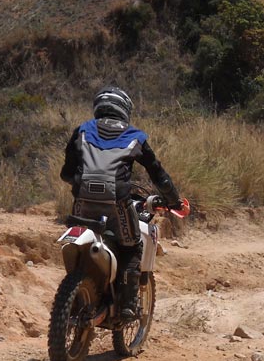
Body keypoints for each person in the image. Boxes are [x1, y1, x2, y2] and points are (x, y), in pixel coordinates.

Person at [60, 87, 180, 320]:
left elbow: (66, 174)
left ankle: (81, 291)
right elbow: (158, 175)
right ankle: (127, 305)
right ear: (124, 109)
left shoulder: (81, 130)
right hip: (116, 202)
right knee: (132, 246)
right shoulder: (135, 136)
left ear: (98, 107)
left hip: (82, 202)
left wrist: (85, 182)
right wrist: (173, 199)